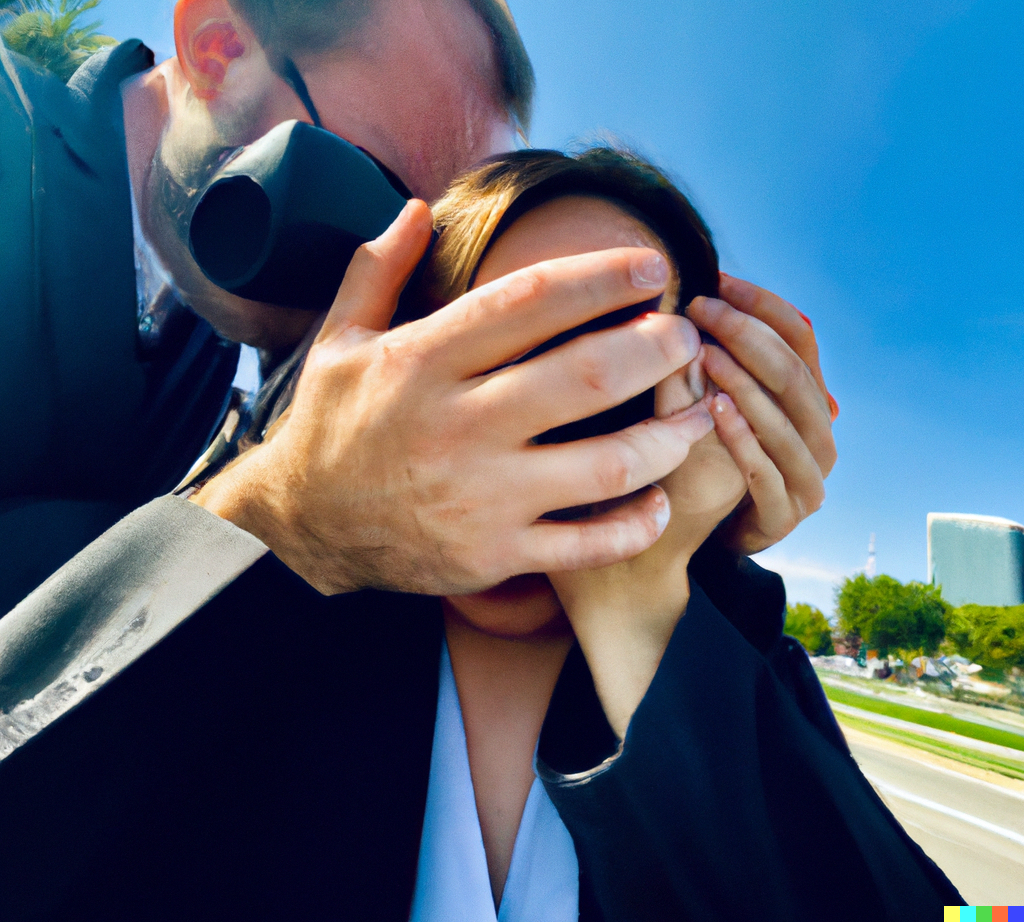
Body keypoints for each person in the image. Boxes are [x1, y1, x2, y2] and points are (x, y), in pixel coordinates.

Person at [0, 147, 959, 921]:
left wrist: (640, 591)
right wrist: (289, 515)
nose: (540, 427)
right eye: (486, 361)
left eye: (616, 369)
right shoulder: (257, 635)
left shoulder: (735, 664)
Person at [0, 0, 836, 618]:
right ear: (217, 51)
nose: (395, 285)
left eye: (431, 240)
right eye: (370, 189)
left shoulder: (219, 327)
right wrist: (282, 518)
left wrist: (684, 523)